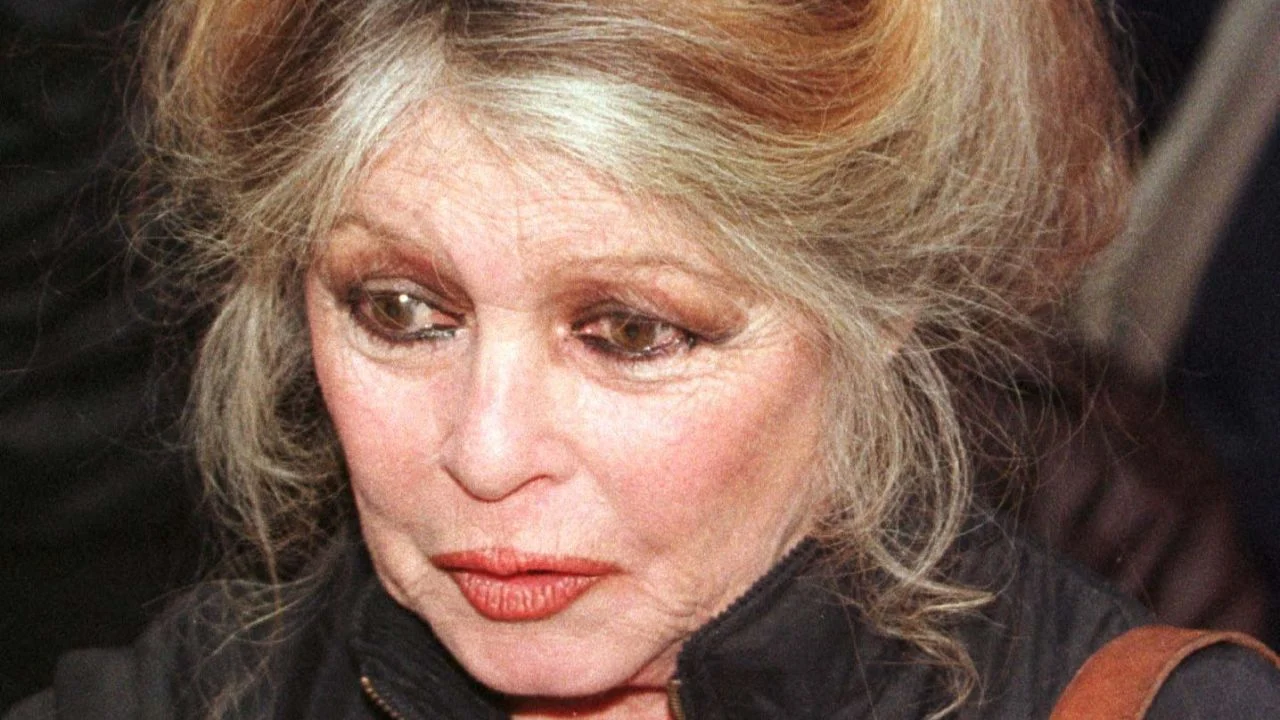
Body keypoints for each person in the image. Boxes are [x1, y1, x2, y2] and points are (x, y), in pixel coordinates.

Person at [7, 0, 1280, 718]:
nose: (485, 451)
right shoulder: (213, 687)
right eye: (399, 311)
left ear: (881, 302)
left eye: (629, 332)